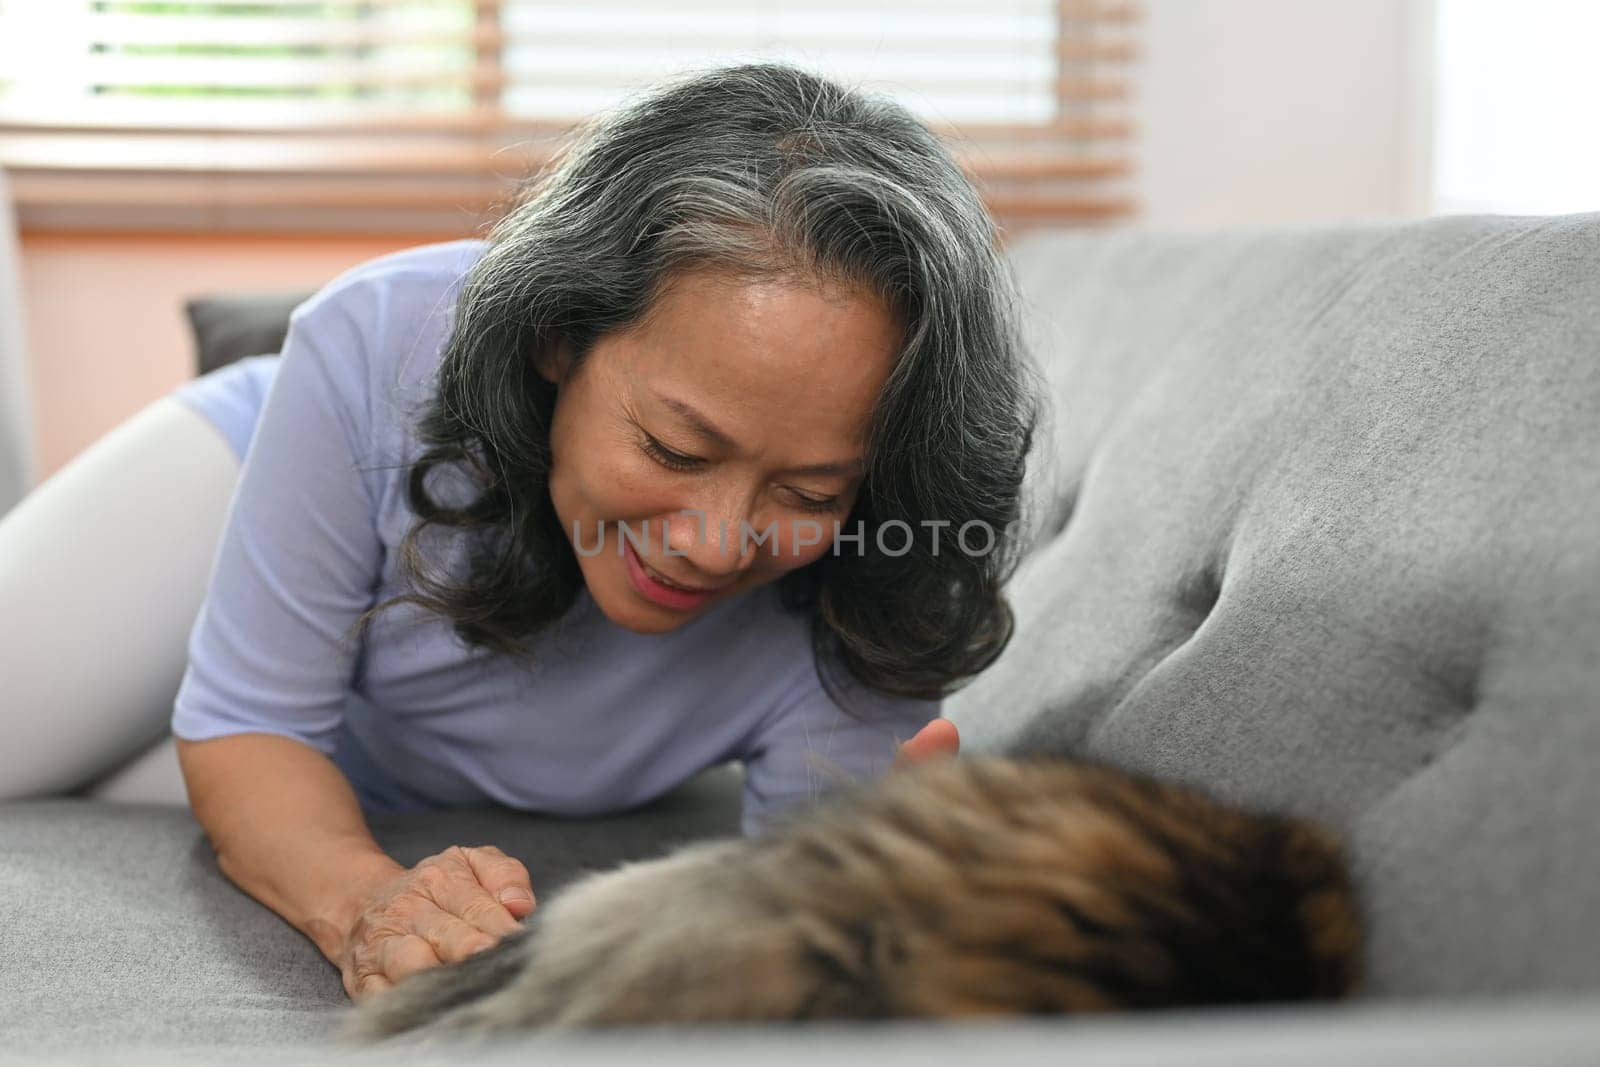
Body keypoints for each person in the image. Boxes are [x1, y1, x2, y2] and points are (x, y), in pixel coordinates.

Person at [0, 62, 1041, 1002]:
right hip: (222, 498)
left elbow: (793, 926)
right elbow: (253, 718)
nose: (719, 542)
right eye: (675, 449)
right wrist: (373, 905)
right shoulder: (377, 339)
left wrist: (892, 895)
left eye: (811, 491)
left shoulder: (888, 554)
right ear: (556, 337)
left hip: (372, 741)